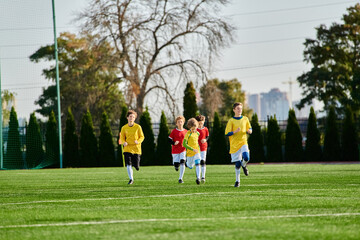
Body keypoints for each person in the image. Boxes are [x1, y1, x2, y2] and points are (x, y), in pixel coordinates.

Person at [225, 102, 252, 187]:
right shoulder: (231, 121)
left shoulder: (245, 119)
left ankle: (244, 165)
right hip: (234, 145)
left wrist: (250, 130)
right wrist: (234, 131)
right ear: (234, 110)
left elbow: (249, 128)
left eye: (241, 108)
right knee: (237, 164)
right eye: (238, 108)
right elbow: (227, 133)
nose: (240, 110)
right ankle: (237, 181)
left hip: (243, 142)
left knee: (246, 157)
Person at [119, 110, 145, 185]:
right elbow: (122, 137)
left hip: (136, 149)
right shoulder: (124, 128)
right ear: (127, 117)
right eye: (130, 116)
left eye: (133, 117)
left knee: (136, 166)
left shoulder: (138, 127)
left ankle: (136, 166)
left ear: (135, 118)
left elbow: (142, 137)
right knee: (128, 163)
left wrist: (138, 141)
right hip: (127, 148)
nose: (131, 118)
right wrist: (124, 142)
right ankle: (131, 179)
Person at [168, 116, 187, 183]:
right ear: (176, 123)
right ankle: (176, 166)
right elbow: (169, 139)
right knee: (176, 164)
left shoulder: (186, 132)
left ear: (183, 123)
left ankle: (180, 178)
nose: (180, 123)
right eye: (178, 122)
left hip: (183, 149)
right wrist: (174, 143)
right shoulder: (174, 131)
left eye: (181, 122)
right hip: (175, 150)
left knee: (182, 162)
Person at [183, 118, 202, 185]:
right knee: (190, 166)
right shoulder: (188, 134)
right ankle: (187, 164)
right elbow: (184, 144)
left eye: (195, 128)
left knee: (198, 162)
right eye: (192, 129)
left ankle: (198, 178)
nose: (194, 130)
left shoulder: (197, 133)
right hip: (190, 153)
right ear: (189, 127)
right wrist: (192, 149)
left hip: (197, 151)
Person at [195, 115, 209, 183]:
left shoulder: (205, 129)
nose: (200, 125)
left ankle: (203, 176)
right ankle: (198, 177)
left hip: (203, 147)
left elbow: (207, 136)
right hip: (196, 147)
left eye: (202, 123)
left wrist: (205, 140)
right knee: (197, 161)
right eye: (199, 123)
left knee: (203, 161)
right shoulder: (194, 129)